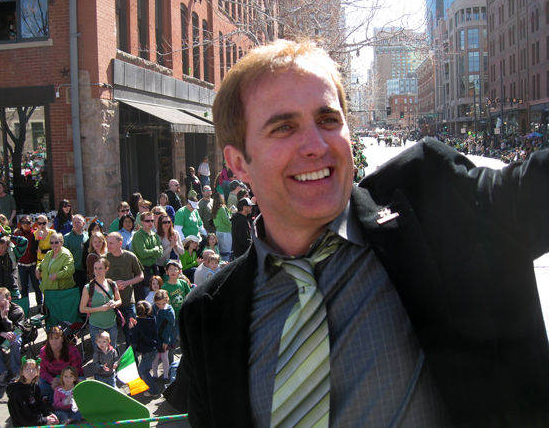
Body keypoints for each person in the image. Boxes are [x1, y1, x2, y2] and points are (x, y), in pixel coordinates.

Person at [179, 40, 549, 427]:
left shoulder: (431, 204)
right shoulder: (207, 317)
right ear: (239, 162)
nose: (316, 146)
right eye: (284, 127)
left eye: (328, 120)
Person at [103, 233, 143, 349]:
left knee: (130, 334)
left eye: (111, 243)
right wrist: (113, 285)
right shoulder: (103, 259)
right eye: (107, 242)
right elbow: (97, 279)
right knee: (109, 337)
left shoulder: (130, 257)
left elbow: (140, 275)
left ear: (120, 243)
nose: (108, 245)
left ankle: (132, 361)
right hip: (110, 303)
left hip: (127, 301)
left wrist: (127, 283)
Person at [80, 258, 122, 351]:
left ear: (106, 269)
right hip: (96, 325)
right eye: (95, 268)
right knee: (99, 353)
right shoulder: (88, 287)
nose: (97, 271)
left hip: (112, 324)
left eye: (100, 268)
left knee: (112, 352)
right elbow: (82, 309)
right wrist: (100, 308)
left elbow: (119, 301)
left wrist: (114, 303)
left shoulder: (112, 284)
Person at [38, 325, 85, 403]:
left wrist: (62, 381)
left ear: (62, 339)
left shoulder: (72, 350)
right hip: (53, 381)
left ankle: (54, 398)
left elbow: (77, 371)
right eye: (51, 339)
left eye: (56, 338)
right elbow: (42, 371)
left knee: (82, 383)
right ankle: (60, 397)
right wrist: (51, 380)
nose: (54, 342)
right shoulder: (43, 351)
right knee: (40, 386)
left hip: (70, 379)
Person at [7, 358, 59, 426]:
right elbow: (24, 419)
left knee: (60, 415)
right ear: (22, 372)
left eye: (34, 369)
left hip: (36, 420)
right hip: (25, 425)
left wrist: (49, 413)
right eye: (27, 369)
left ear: (37, 372)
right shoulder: (16, 393)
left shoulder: (34, 386)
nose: (31, 371)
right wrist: (45, 420)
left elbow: (40, 404)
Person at [129, 300, 161, 398]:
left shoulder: (138, 326)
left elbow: (133, 340)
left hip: (147, 352)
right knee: (143, 369)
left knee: (144, 372)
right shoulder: (152, 320)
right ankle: (149, 387)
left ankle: (154, 391)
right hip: (153, 349)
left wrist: (132, 329)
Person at [131, 213, 163, 302]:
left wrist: (153, 251)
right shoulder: (138, 235)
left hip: (153, 271)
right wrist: (155, 250)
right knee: (146, 300)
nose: (150, 223)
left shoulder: (155, 235)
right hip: (142, 271)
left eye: (152, 220)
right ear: (142, 222)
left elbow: (160, 254)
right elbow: (142, 254)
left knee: (156, 299)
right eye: (147, 221)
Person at [14, 215, 41, 307]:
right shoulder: (16, 235)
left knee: (37, 286)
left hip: (33, 264)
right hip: (21, 265)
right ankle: (25, 308)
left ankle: (40, 306)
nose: (26, 224)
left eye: (28, 222)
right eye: (23, 222)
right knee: (24, 288)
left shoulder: (34, 233)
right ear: (20, 224)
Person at [161, 259, 191, 336]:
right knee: (173, 334)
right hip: (172, 316)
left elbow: (189, 295)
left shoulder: (183, 283)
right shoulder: (164, 287)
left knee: (186, 334)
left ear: (179, 271)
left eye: (175, 269)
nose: (173, 271)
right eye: (171, 269)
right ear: (167, 272)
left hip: (183, 313)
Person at [151, 290, 175, 384]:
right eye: (158, 303)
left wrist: (166, 340)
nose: (160, 306)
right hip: (156, 337)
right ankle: (155, 375)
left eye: (163, 304)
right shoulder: (153, 309)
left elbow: (169, 327)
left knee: (165, 358)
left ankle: (165, 376)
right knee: (155, 357)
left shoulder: (169, 311)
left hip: (166, 338)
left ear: (167, 300)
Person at [63, 214, 89, 294]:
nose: (76, 224)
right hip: (74, 271)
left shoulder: (87, 236)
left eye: (79, 222)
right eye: (74, 222)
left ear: (83, 224)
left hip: (86, 270)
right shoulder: (67, 238)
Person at [211, 192, 232, 261]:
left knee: (221, 252)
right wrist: (233, 214)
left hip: (218, 232)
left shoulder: (213, 209)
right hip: (225, 233)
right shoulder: (222, 208)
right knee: (226, 253)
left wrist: (229, 212)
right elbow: (228, 221)